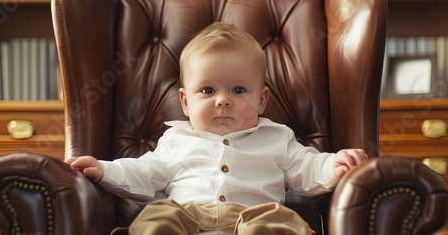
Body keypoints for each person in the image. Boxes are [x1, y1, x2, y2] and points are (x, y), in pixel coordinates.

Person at [65, 22, 368, 235]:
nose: (223, 101)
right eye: (208, 91)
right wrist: (103, 170)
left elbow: (308, 167)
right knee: (156, 218)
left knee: (280, 223)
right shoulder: (176, 139)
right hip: (185, 215)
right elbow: (143, 173)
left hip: (255, 215)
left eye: (238, 91)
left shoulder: (276, 137)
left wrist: (334, 165)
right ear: (185, 102)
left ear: (262, 100)